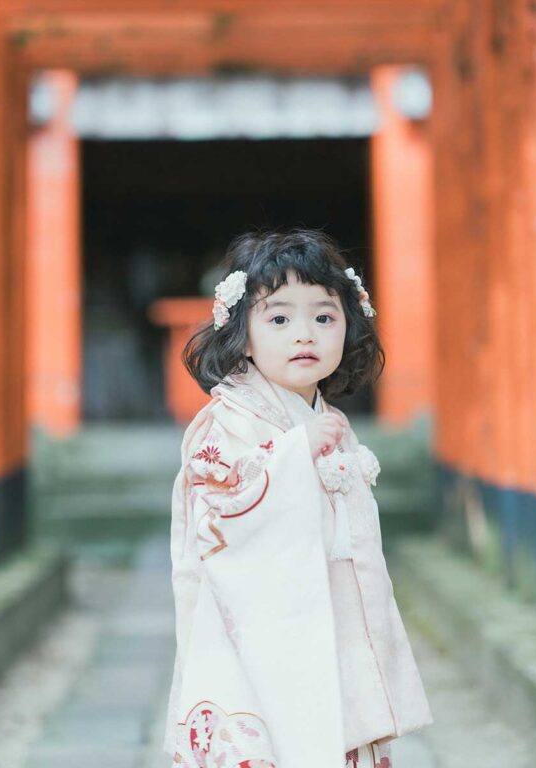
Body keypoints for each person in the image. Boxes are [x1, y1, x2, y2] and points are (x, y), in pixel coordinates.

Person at [163, 230, 433, 768]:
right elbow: (218, 511)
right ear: (241, 336)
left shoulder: (326, 420)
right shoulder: (226, 421)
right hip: (257, 629)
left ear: (349, 329)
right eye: (279, 319)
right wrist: (289, 457)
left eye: (324, 318)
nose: (304, 334)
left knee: (332, 728)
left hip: (328, 615)